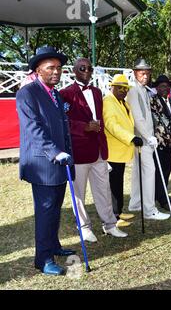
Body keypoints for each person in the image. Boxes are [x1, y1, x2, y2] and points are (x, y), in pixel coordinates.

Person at [16, 46, 75, 275]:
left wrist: (68, 154)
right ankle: (43, 259)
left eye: (59, 68)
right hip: (43, 164)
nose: (56, 72)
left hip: (61, 163)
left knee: (55, 210)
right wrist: (55, 152)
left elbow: (63, 128)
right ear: (38, 70)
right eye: (50, 67)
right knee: (45, 211)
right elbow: (33, 128)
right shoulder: (27, 93)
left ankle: (54, 246)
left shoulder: (56, 94)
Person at [60, 58, 128, 242]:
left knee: (103, 190)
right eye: (82, 68)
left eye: (90, 68)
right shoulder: (65, 93)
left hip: (99, 150)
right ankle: (84, 227)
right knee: (79, 193)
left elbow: (102, 120)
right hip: (79, 152)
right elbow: (63, 122)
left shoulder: (98, 92)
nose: (87, 71)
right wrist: (84, 127)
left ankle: (110, 225)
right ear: (74, 70)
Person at [126, 58, 170, 220]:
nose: (145, 76)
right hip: (142, 138)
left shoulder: (144, 90)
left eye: (147, 73)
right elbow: (138, 117)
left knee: (138, 172)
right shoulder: (133, 90)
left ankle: (135, 203)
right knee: (149, 171)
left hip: (146, 137)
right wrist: (148, 136)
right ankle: (150, 210)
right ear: (135, 73)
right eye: (142, 73)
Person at [103, 74, 143, 224]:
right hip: (113, 152)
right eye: (119, 88)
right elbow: (111, 125)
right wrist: (131, 138)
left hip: (121, 152)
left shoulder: (124, 103)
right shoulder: (108, 101)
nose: (123, 91)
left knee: (118, 183)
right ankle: (113, 216)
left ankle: (118, 211)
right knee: (113, 186)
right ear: (112, 87)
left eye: (125, 88)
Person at [150, 75, 171, 211]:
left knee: (167, 170)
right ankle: (162, 199)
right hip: (160, 142)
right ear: (156, 88)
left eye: (167, 86)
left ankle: (162, 193)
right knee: (159, 171)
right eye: (162, 86)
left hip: (170, 143)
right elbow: (157, 121)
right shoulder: (153, 101)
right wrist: (169, 137)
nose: (165, 88)